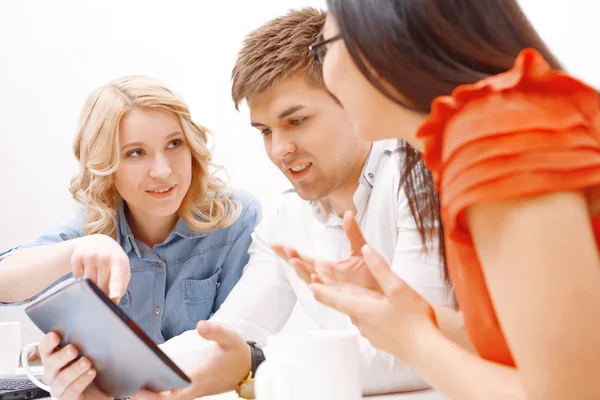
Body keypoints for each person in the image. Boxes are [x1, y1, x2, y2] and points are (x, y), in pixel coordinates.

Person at [285, 1, 600, 399]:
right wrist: (401, 312)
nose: (326, 77)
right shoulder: (483, 133)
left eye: (324, 49)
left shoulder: (495, 134)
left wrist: (411, 339)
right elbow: (515, 343)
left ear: (382, 38)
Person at [135, 7, 454, 400]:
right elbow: (231, 333)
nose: (280, 149)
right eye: (265, 131)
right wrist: (117, 374)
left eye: (297, 121)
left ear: (351, 95)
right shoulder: (285, 222)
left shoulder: (417, 179)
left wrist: (256, 366)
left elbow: (419, 351)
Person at [0, 75, 261, 399]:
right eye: (136, 153)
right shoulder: (94, 229)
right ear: (105, 165)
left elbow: (239, 346)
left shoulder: (234, 217)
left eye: (174, 143)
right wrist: (77, 249)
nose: (163, 170)